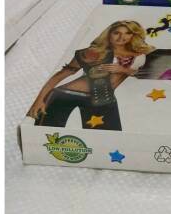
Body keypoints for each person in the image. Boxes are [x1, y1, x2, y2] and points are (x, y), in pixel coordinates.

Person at [25, 20, 155, 131]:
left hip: (103, 99)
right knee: (46, 136)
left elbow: (149, 75)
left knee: (110, 139)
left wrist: (123, 70)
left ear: (134, 35)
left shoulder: (141, 54)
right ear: (109, 34)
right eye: (117, 33)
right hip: (64, 96)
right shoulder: (93, 52)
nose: (122, 37)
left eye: (128, 33)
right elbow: (60, 75)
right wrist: (38, 101)